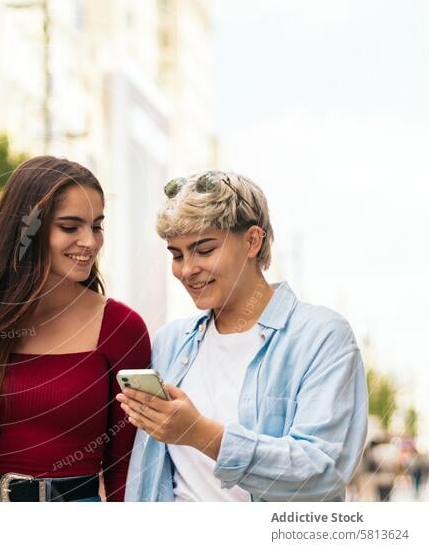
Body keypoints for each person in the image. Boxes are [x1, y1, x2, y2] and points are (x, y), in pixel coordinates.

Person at [0, 156, 151, 502]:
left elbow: (124, 464)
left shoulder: (122, 329)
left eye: (97, 226)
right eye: (70, 227)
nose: (91, 242)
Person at [122, 171, 367, 502]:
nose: (187, 269)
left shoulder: (322, 337)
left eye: (203, 250)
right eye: (177, 255)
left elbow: (322, 471)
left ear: (253, 241)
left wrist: (199, 434)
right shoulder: (169, 342)